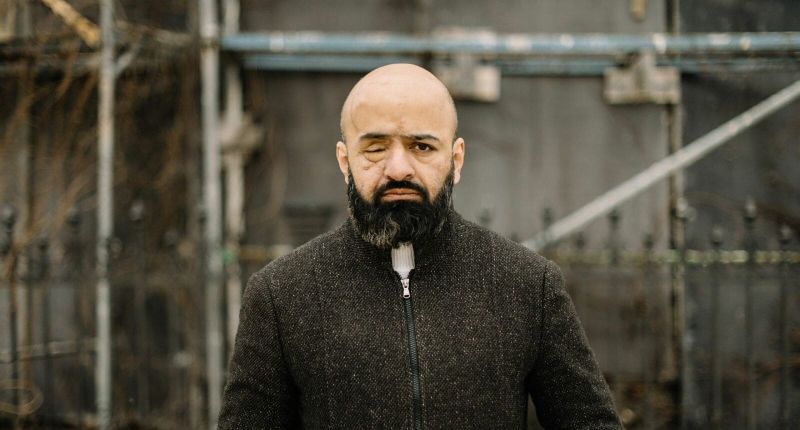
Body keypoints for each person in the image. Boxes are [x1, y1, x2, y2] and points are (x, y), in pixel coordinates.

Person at [218, 63, 621, 429]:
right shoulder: (281, 295)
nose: (398, 169)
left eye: (422, 147)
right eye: (375, 148)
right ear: (345, 161)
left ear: (456, 160)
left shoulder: (528, 285)